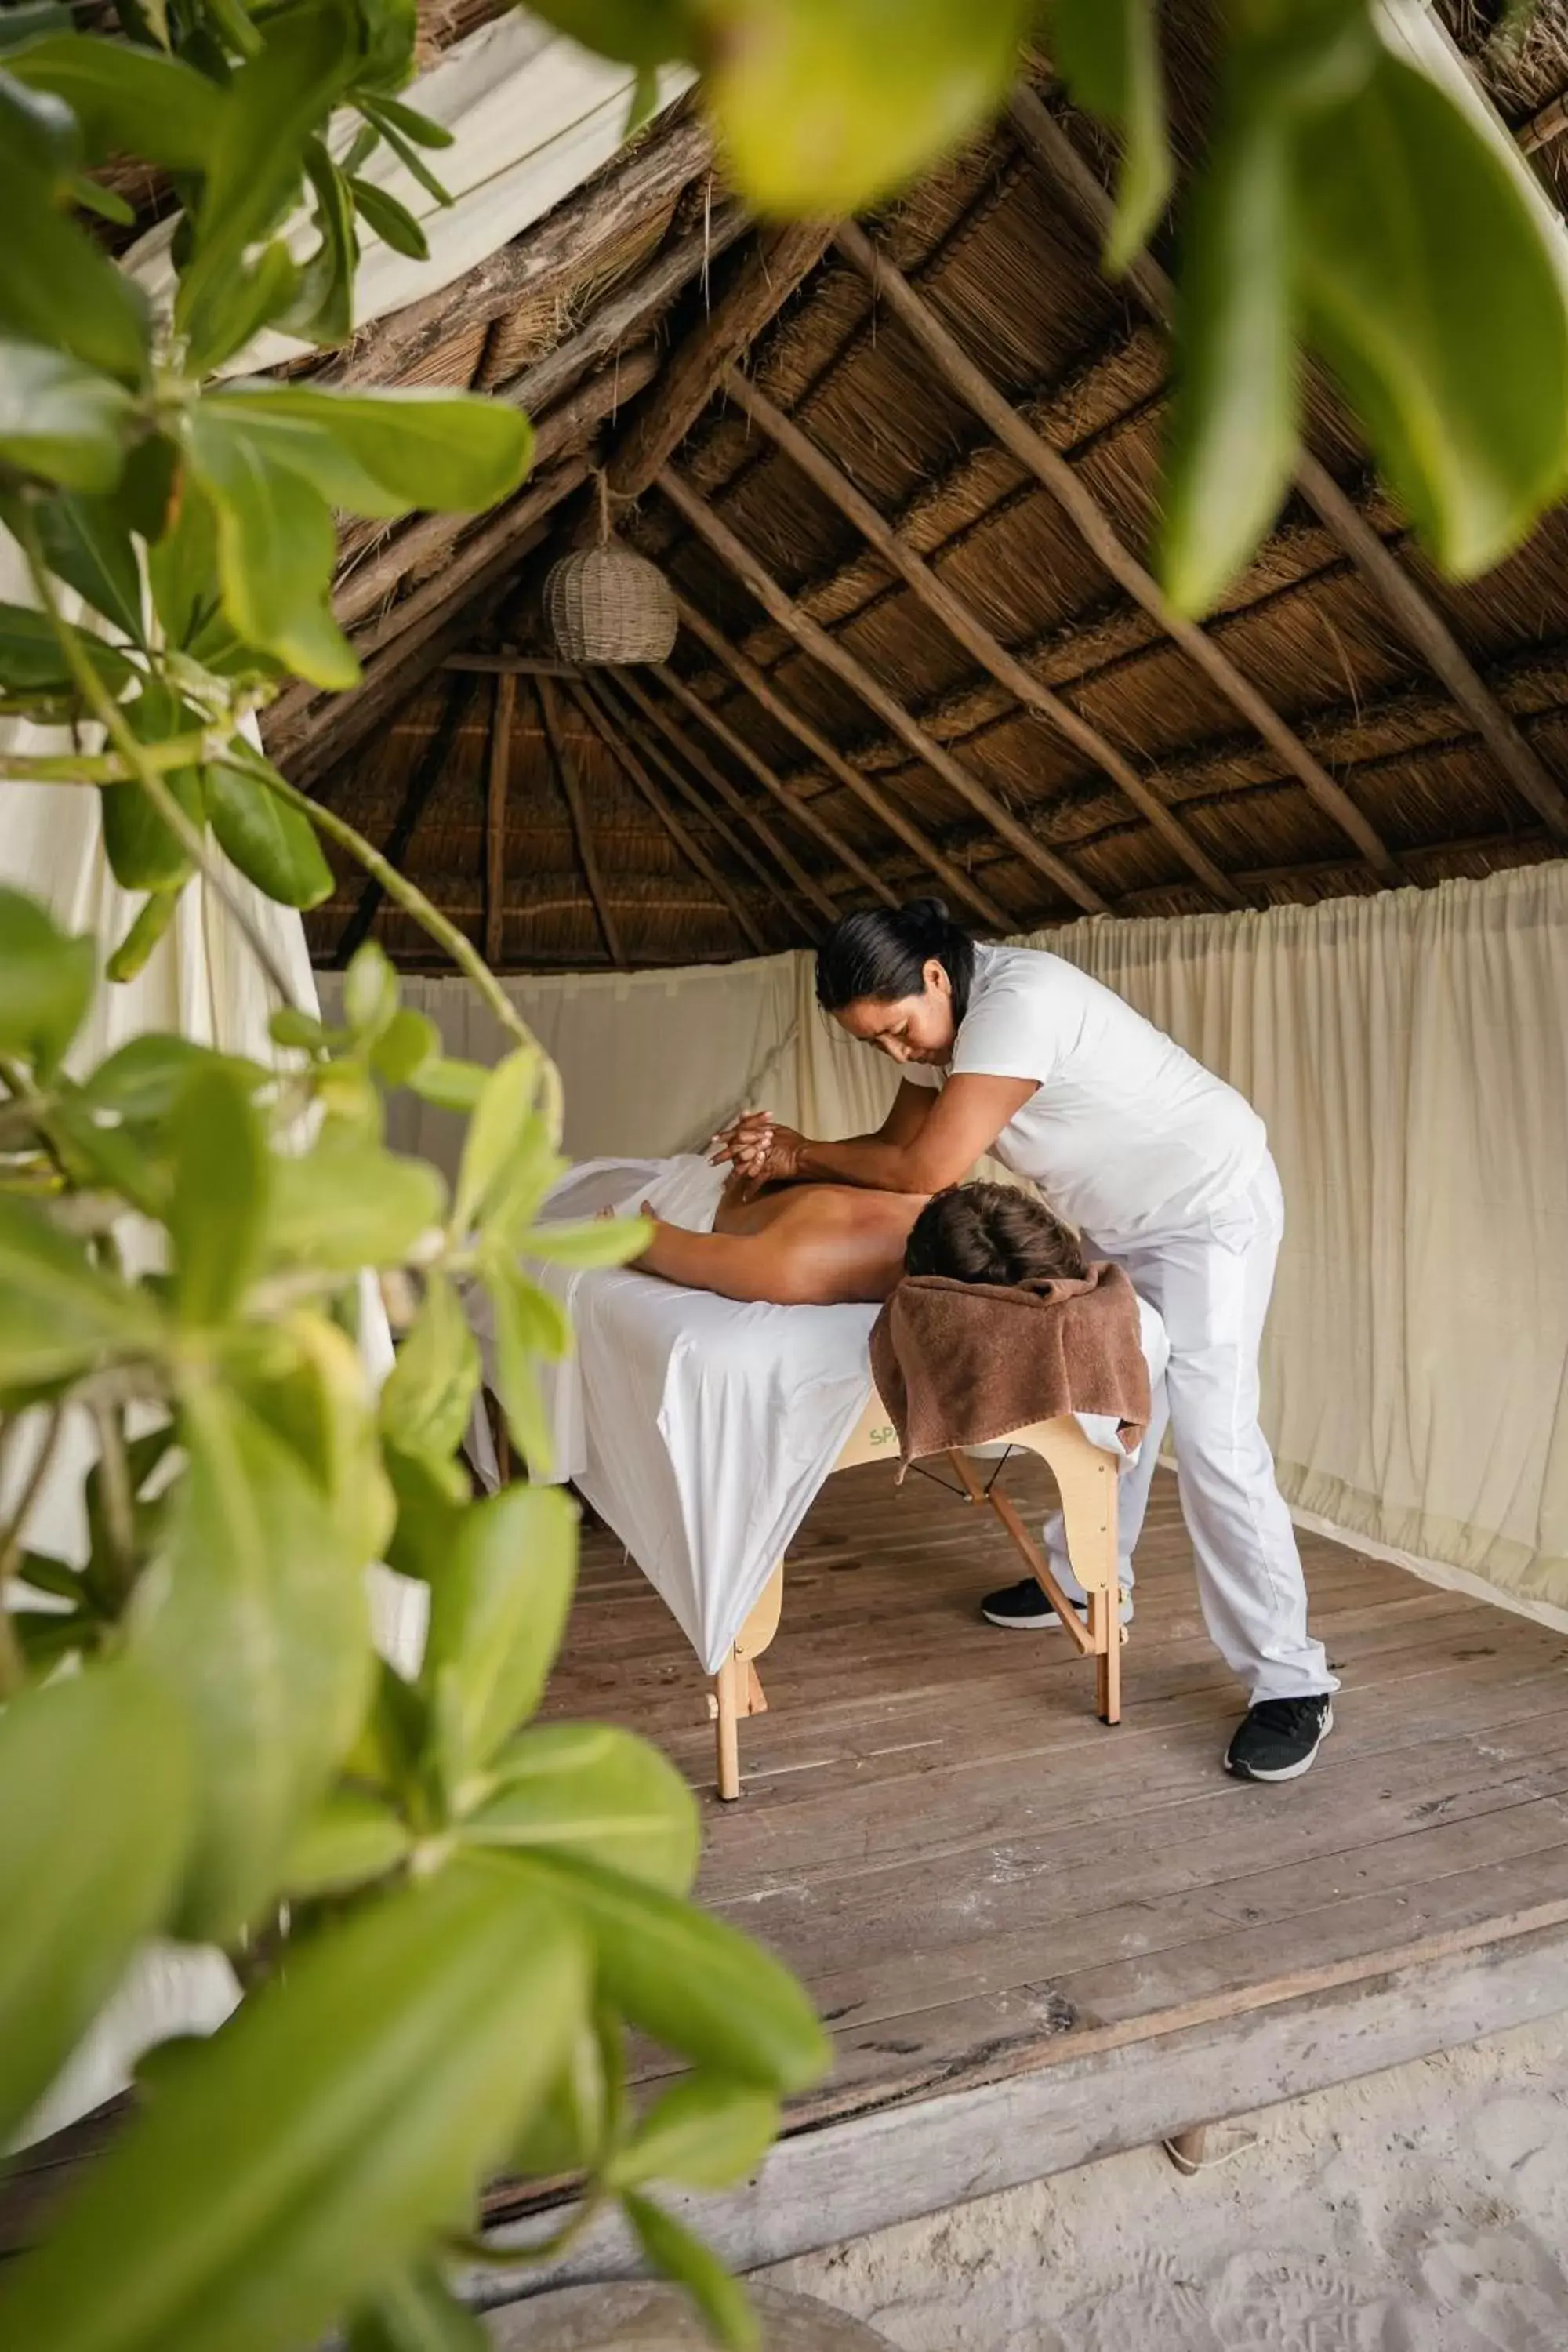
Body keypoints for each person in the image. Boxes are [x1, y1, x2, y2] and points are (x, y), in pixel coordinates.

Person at [713, 898, 1337, 1784]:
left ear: (935, 974)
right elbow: (898, 1140)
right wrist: (789, 1154)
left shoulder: (1018, 1003)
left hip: (1206, 1212)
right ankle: (1079, 1579)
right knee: (1101, 1390)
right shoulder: (948, 1028)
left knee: (1214, 1439)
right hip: (1117, 1220)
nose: (898, 1053)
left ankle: (1290, 1681)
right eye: (874, 1045)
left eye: (897, 1030)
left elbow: (930, 1169)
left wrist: (794, 1153)